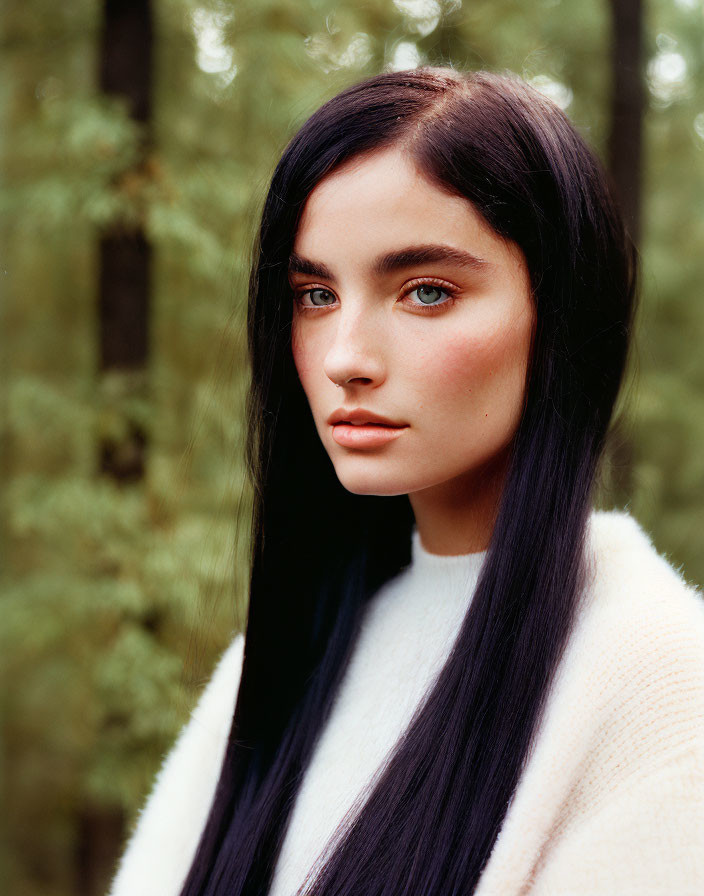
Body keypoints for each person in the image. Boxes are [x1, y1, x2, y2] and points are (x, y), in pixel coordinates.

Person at [107, 66, 704, 896]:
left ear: (561, 316)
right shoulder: (287, 656)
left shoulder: (658, 686)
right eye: (316, 294)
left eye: (425, 291)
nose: (346, 357)